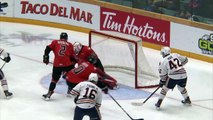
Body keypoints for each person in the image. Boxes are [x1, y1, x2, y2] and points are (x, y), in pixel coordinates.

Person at [42, 32, 76, 100]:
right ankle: (70, 91)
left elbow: (47, 48)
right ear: (66, 38)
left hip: (57, 64)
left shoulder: (55, 42)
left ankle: (49, 94)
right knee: (73, 76)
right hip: (67, 65)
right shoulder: (70, 45)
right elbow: (73, 57)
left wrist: (46, 57)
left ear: (60, 37)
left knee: (54, 80)